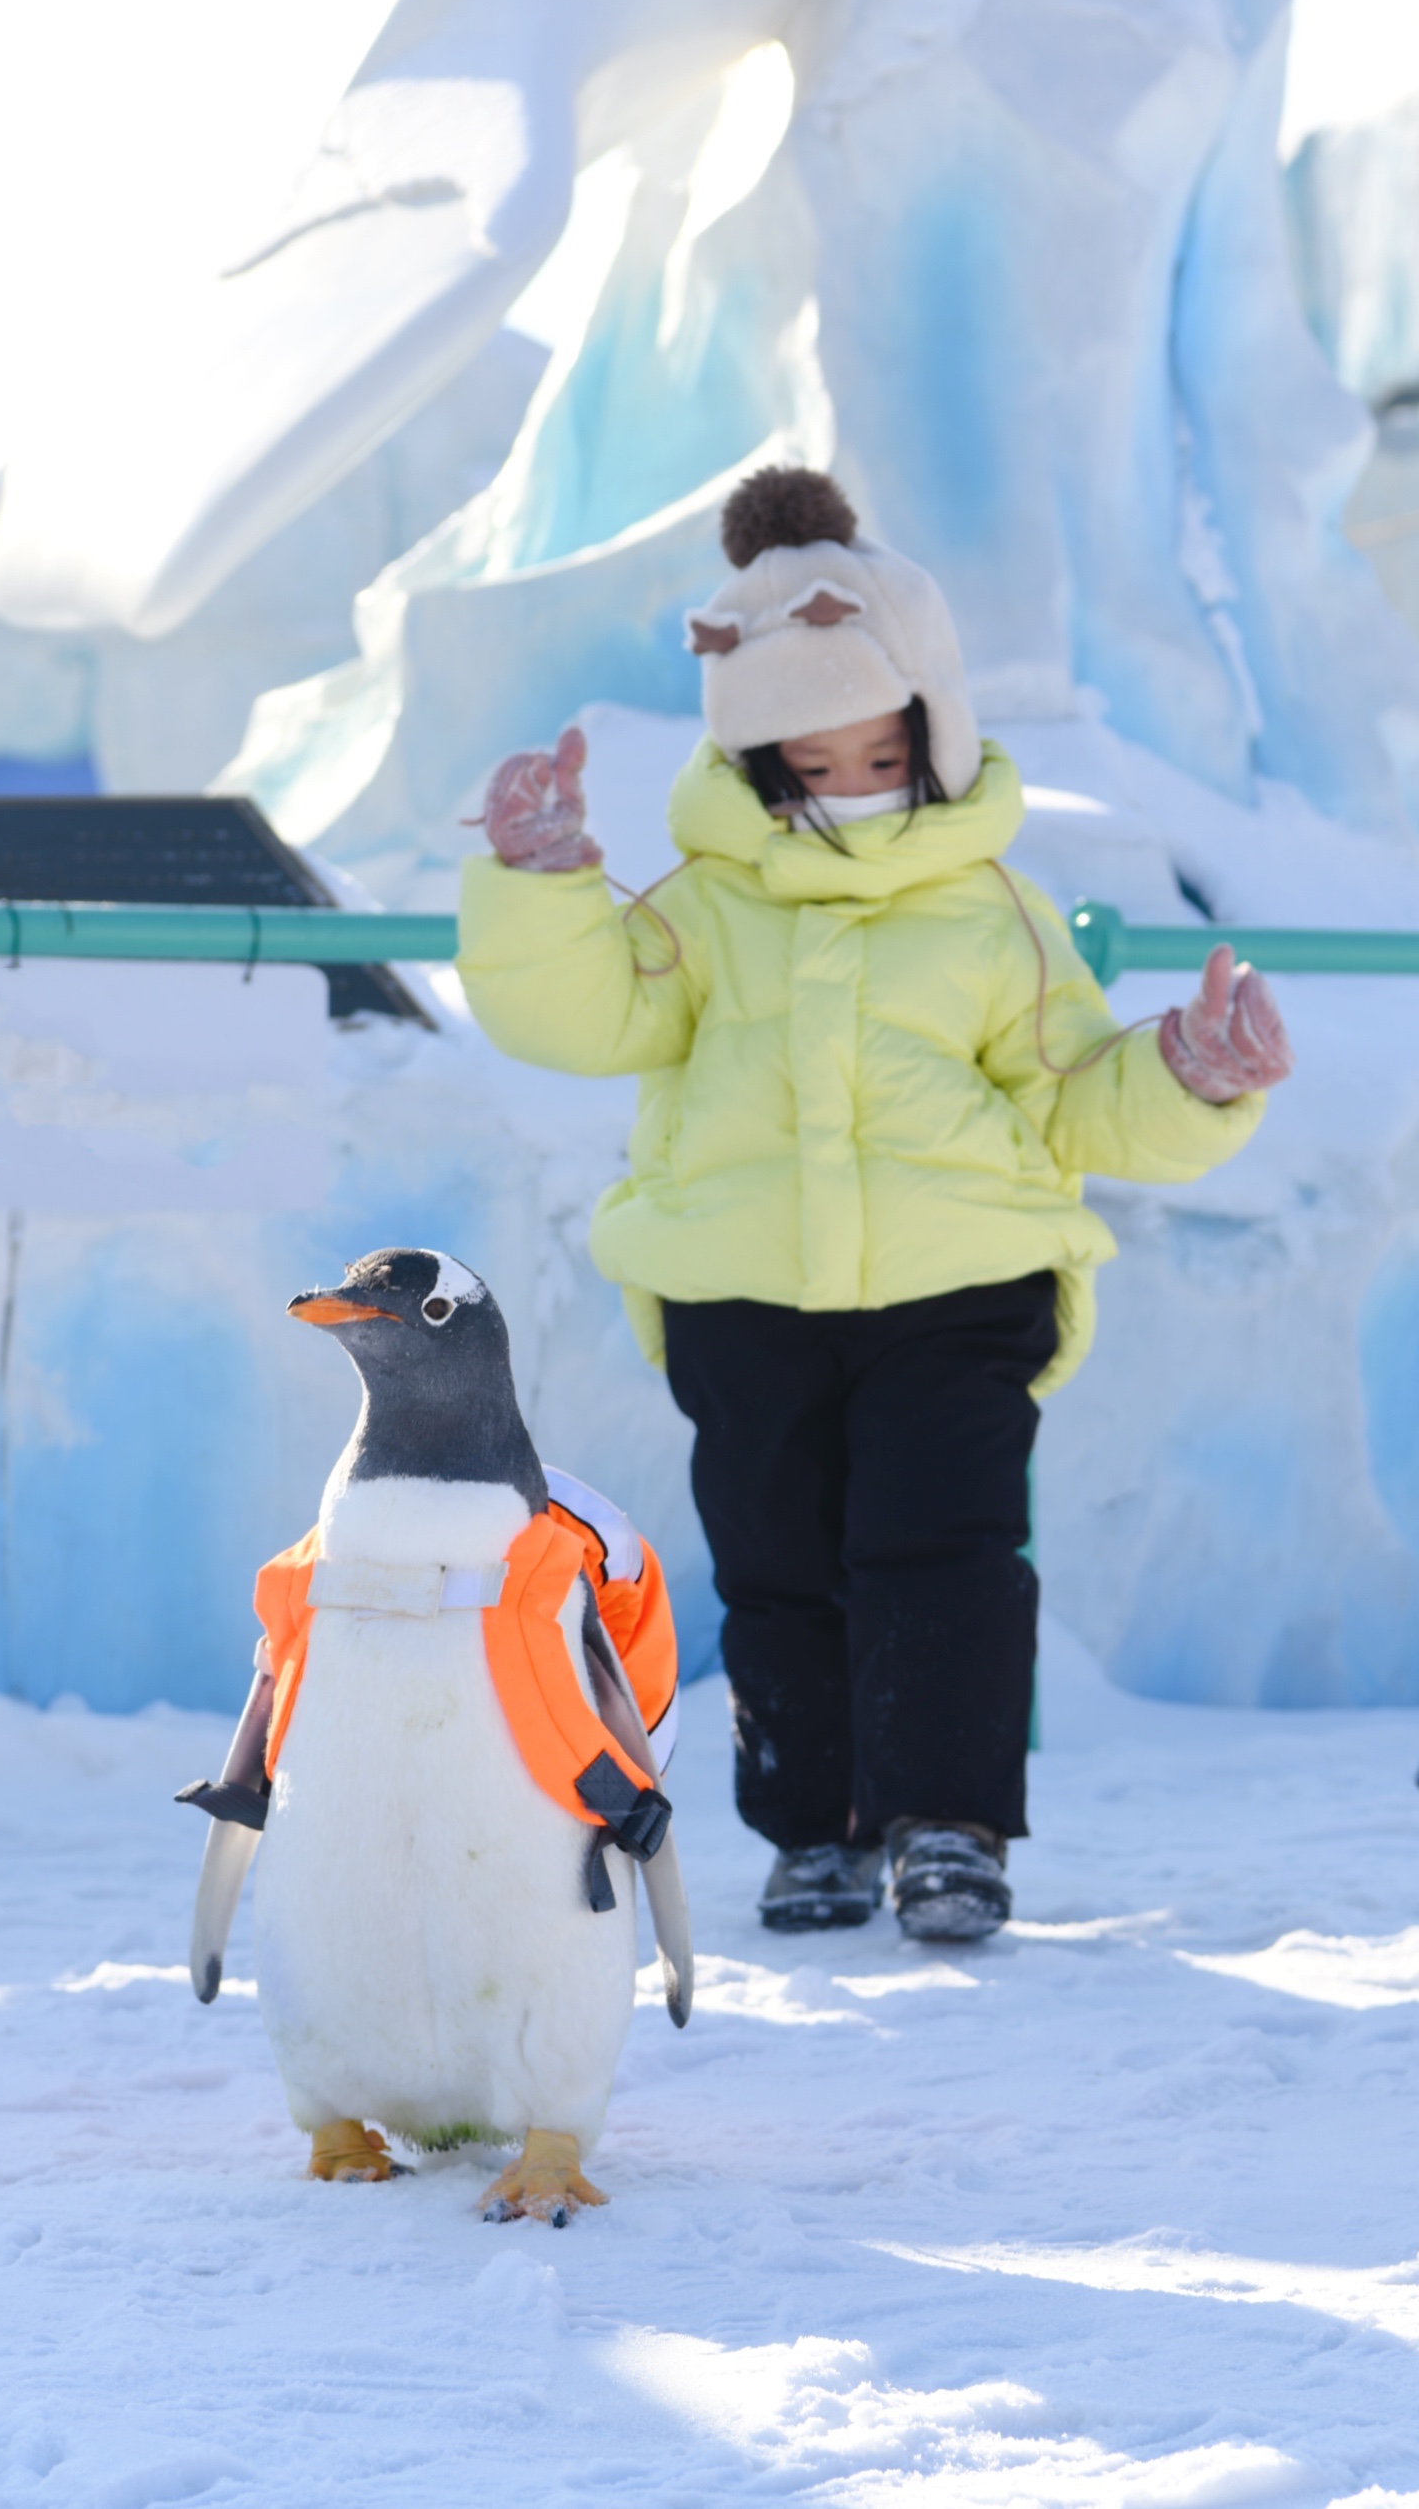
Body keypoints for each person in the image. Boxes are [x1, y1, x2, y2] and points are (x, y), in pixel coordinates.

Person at [454, 466, 1293, 1943]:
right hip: (747, 1296)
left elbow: (1077, 1089)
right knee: (779, 1567)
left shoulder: (994, 915)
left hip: (959, 1289)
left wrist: (1191, 1074)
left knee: (944, 1554)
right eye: (809, 765)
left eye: (875, 751)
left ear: (935, 731)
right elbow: (585, 1014)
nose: (847, 788)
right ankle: (816, 1827)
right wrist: (543, 887)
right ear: (759, 764)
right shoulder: (703, 911)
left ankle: (948, 1827)